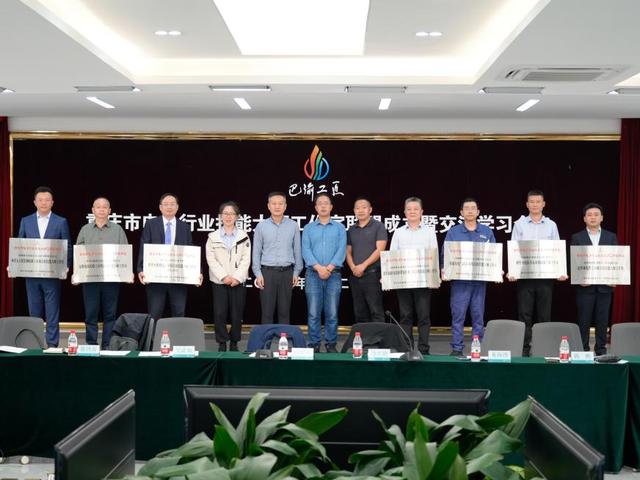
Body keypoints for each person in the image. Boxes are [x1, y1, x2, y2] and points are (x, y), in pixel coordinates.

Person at [508, 189, 567, 356]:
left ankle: (543, 349)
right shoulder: (519, 224)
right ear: (527, 204)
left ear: (543, 204)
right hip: (524, 277)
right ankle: (524, 350)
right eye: (532, 202)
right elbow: (514, 248)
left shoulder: (551, 225)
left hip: (545, 277)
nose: (535, 205)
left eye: (538, 202)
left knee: (544, 316)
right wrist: (512, 271)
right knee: (524, 315)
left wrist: (560, 271)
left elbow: (557, 249)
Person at [16, 186, 72, 348]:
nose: (43, 203)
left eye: (47, 200)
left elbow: (67, 246)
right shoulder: (26, 221)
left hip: (52, 274)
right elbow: (19, 246)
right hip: (31, 274)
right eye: (40, 200)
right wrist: (14, 265)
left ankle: (52, 345)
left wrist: (66, 266)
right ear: (35, 202)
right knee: (34, 312)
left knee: (52, 312)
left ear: (52, 202)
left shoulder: (61, 221)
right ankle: (35, 344)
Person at [441, 198, 496, 356]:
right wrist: (444, 270)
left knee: (478, 317)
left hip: (479, 282)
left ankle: (476, 348)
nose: (470, 211)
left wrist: (496, 270)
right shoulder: (454, 232)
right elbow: (445, 254)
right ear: (461, 212)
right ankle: (457, 348)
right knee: (458, 317)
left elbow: (494, 256)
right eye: (467, 208)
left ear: (478, 212)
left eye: (473, 208)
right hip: (460, 282)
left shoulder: (487, 232)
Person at [74, 197, 129, 348]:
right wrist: (76, 274)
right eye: (98, 207)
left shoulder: (118, 230)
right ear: (93, 210)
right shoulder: (85, 230)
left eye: (105, 207)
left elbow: (125, 253)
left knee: (110, 315)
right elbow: (79, 254)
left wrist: (126, 274)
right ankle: (91, 344)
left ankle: (107, 345)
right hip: (90, 279)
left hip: (111, 280)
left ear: (109, 210)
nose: (101, 209)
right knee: (91, 314)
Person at [389, 196, 439, 354]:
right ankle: (407, 348)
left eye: (416, 209)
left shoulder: (429, 232)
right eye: (409, 209)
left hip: (423, 281)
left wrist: (435, 277)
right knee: (405, 316)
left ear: (421, 212)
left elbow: (434, 255)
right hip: (403, 281)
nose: (412, 212)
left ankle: (424, 349)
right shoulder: (398, 232)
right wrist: (388, 276)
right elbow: (392, 255)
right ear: (404, 212)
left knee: (423, 317)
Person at [137, 193, 198, 320]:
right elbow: (144, 247)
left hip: (178, 279)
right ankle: (154, 334)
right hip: (155, 278)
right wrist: (141, 269)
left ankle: (177, 334)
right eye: (166, 204)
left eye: (172, 204)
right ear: (160, 207)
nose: (169, 207)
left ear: (177, 207)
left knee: (179, 314)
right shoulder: (151, 224)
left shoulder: (185, 227)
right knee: (155, 314)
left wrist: (197, 272)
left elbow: (190, 250)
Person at [302, 193, 346, 353]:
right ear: (316, 208)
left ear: (331, 207)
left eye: (326, 203)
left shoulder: (340, 228)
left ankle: (331, 343)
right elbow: (305, 250)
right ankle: (314, 343)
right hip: (313, 274)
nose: (323, 206)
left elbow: (341, 250)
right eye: (319, 203)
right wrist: (319, 268)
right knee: (313, 313)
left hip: (334, 274)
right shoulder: (308, 228)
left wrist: (329, 268)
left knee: (332, 313)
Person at [571, 203, 617, 355]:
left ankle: (601, 350)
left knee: (602, 320)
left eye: (596, 214)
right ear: (584, 218)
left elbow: (616, 260)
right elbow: (573, 261)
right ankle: (583, 351)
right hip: (585, 287)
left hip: (605, 287)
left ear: (601, 218)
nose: (593, 217)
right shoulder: (577, 237)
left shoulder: (610, 237)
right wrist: (579, 278)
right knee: (584, 320)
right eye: (589, 215)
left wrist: (615, 277)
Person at [205, 201, 251, 352]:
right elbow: (211, 260)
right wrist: (224, 276)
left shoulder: (244, 236)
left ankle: (234, 342)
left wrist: (237, 277)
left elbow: (246, 259)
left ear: (237, 217)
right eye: (225, 213)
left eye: (232, 214)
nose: (228, 216)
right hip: (219, 281)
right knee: (220, 313)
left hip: (238, 281)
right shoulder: (213, 237)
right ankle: (222, 342)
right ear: (220, 216)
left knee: (237, 313)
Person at [252, 191, 303, 324]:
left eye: (280, 203)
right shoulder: (261, 226)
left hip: (287, 273)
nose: (277, 206)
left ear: (285, 206)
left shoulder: (293, 225)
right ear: (268, 206)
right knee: (267, 313)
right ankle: (266, 339)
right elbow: (256, 252)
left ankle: (283, 338)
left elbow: (297, 250)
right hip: (267, 273)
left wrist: (296, 272)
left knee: (284, 312)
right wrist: (258, 273)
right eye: (274, 203)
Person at [346, 197, 387, 323]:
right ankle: (363, 336)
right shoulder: (351, 229)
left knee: (376, 311)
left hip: (372, 275)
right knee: (359, 312)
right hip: (355, 276)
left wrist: (363, 266)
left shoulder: (378, 226)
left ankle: (378, 336)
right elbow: (347, 251)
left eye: (364, 207)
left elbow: (380, 249)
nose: (361, 210)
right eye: (357, 208)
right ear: (354, 211)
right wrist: (353, 267)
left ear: (370, 210)